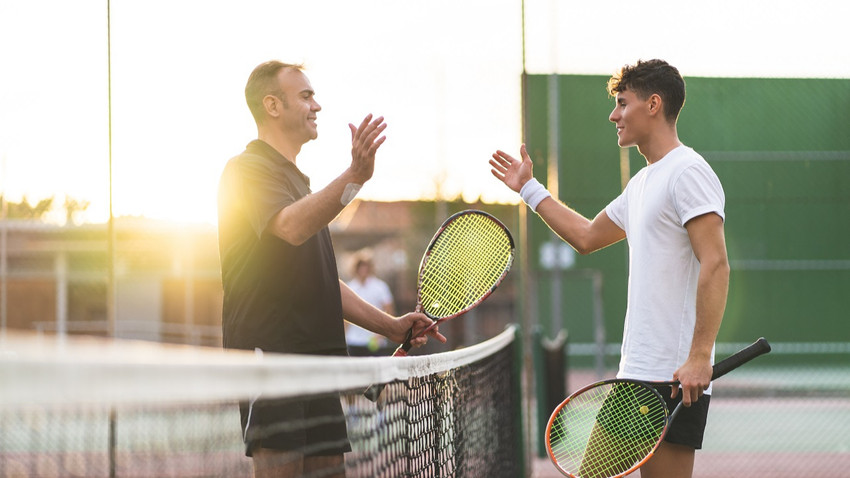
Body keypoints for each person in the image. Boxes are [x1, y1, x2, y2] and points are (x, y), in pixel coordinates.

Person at [489, 59, 729, 478]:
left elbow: (716, 263)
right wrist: (529, 188)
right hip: (634, 374)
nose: (613, 115)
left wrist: (699, 357)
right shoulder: (640, 185)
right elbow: (585, 236)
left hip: (669, 379)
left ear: (653, 104)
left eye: (623, 103)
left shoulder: (688, 172)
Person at [218, 60, 445, 478]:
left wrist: (391, 327)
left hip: (318, 362)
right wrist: (355, 175)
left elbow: (322, 281)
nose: (316, 105)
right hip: (271, 358)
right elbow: (289, 227)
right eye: (305, 96)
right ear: (272, 105)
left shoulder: (301, 184)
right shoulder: (246, 170)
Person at [345, 251, 395, 356]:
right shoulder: (350, 287)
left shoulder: (381, 287)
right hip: (353, 342)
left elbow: (389, 312)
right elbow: (345, 317)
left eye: (366, 267)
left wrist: (379, 336)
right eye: (360, 267)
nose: (363, 270)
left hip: (376, 344)